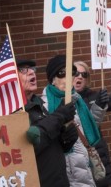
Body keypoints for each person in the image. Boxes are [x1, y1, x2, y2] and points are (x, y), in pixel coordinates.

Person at [19, 59, 79, 187]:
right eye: (23, 70)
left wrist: (66, 136)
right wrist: (59, 116)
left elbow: (50, 142)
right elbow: (31, 143)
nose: (31, 72)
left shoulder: (38, 104)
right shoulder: (13, 112)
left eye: (32, 69)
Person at [43, 55, 100, 187]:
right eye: (62, 73)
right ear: (52, 79)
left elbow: (86, 130)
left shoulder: (77, 99)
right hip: (67, 170)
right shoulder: (45, 105)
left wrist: (100, 108)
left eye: (71, 72)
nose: (69, 77)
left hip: (83, 164)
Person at [74, 59, 111, 186]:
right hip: (76, 158)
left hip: (97, 154)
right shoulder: (63, 99)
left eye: (84, 74)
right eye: (76, 73)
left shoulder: (93, 96)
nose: (80, 77)